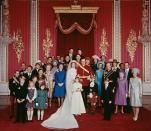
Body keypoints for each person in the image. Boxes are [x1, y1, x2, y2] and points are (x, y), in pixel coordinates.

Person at [41, 60, 79, 129]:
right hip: (70, 85)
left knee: (75, 97)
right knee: (69, 97)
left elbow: (75, 78)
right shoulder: (69, 71)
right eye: (72, 64)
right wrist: (67, 84)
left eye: (74, 64)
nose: (73, 65)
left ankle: (74, 109)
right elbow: (67, 79)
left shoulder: (75, 70)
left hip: (75, 85)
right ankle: (70, 109)